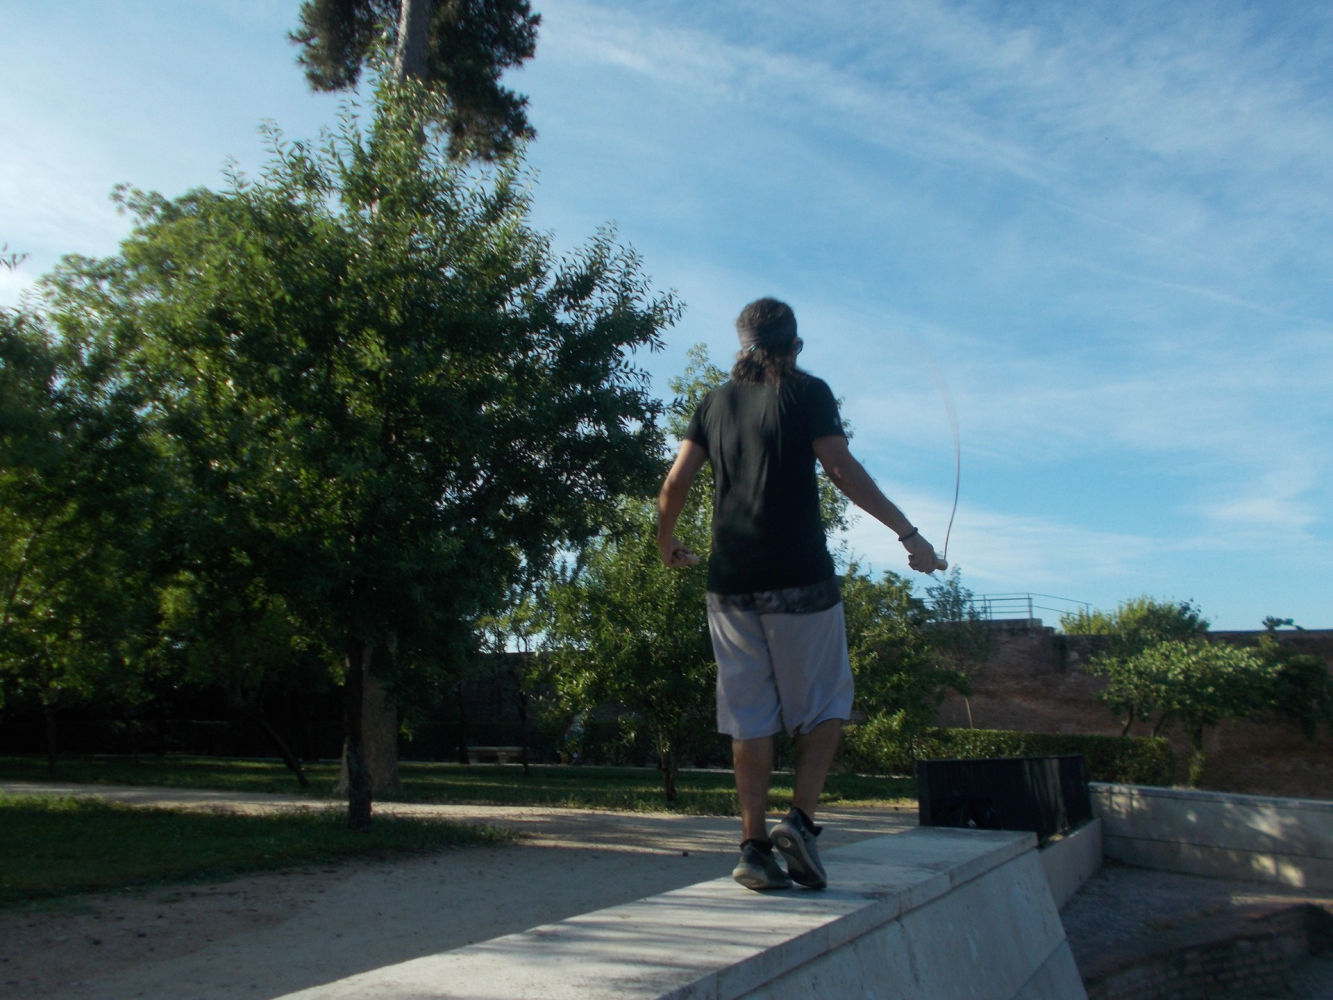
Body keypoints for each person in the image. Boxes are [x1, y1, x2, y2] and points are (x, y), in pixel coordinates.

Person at [656, 297, 943, 891]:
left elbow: (675, 482)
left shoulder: (712, 403)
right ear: (796, 346)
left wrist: (667, 541)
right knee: (827, 701)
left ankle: (753, 846)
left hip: (730, 586)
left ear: (742, 344)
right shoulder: (808, 392)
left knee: (749, 715)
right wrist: (908, 535)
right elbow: (839, 467)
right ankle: (803, 824)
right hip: (799, 579)